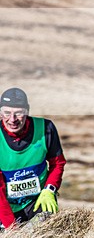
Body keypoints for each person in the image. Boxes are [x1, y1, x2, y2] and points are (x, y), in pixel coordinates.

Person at [0, 88, 66, 229]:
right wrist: (11, 228)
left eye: (18, 113)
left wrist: (49, 189)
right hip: (4, 208)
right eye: (7, 113)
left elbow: (57, 163)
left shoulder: (46, 128)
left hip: (37, 203)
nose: (12, 119)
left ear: (27, 111)